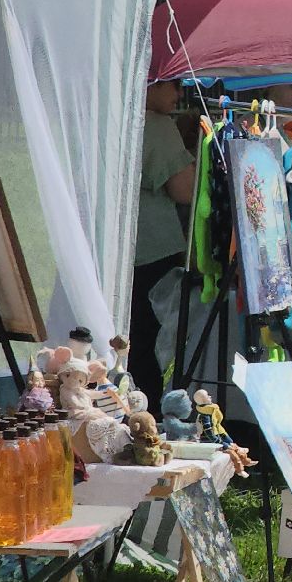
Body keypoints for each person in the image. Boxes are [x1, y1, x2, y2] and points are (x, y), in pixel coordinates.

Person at [130, 80, 198, 399]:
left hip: (107, 249)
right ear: (152, 82)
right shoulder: (157, 125)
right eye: (174, 84)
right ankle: (148, 411)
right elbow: (185, 190)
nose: (179, 93)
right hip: (152, 249)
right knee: (148, 341)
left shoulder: (103, 117)